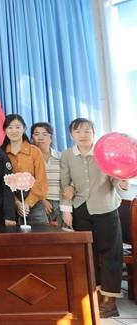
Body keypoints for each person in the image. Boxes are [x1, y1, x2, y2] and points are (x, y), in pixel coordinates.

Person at [60, 118, 128, 319]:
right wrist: (66, 210)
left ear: (94, 133)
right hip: (81, 210)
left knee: (110, 254)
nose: (83, 135)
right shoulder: (67, 155)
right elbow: (65, 183)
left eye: (87, 131)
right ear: (71, 134)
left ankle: (110, 300)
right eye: (78, 131)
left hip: (106, 208)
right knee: (89, 255)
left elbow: (114, 176)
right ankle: (96, 294)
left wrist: (120, 183)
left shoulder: (103, 152)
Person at [1, 114, 48, 224]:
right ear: (5, 130)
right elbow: (1, 182)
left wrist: (27, 203)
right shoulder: (1, 153)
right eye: (10, 127)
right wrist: (16, 202)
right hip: (10, 203)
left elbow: (41, 181)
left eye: (18, 127)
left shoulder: (35, 151)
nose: (14, 131)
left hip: (34, 202)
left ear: (24, 128)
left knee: (41, 233)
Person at [31, 122, 62, 226]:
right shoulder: (30, 159)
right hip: (38, 202)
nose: (40, 137)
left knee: (62, 234)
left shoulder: (61, 157)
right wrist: (42, 200)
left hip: (60, 202)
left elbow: (67, 180)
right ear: (32, 137)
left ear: (51, 137)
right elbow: (29, 183)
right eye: (36, 134)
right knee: (42, 233)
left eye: (44, 134)